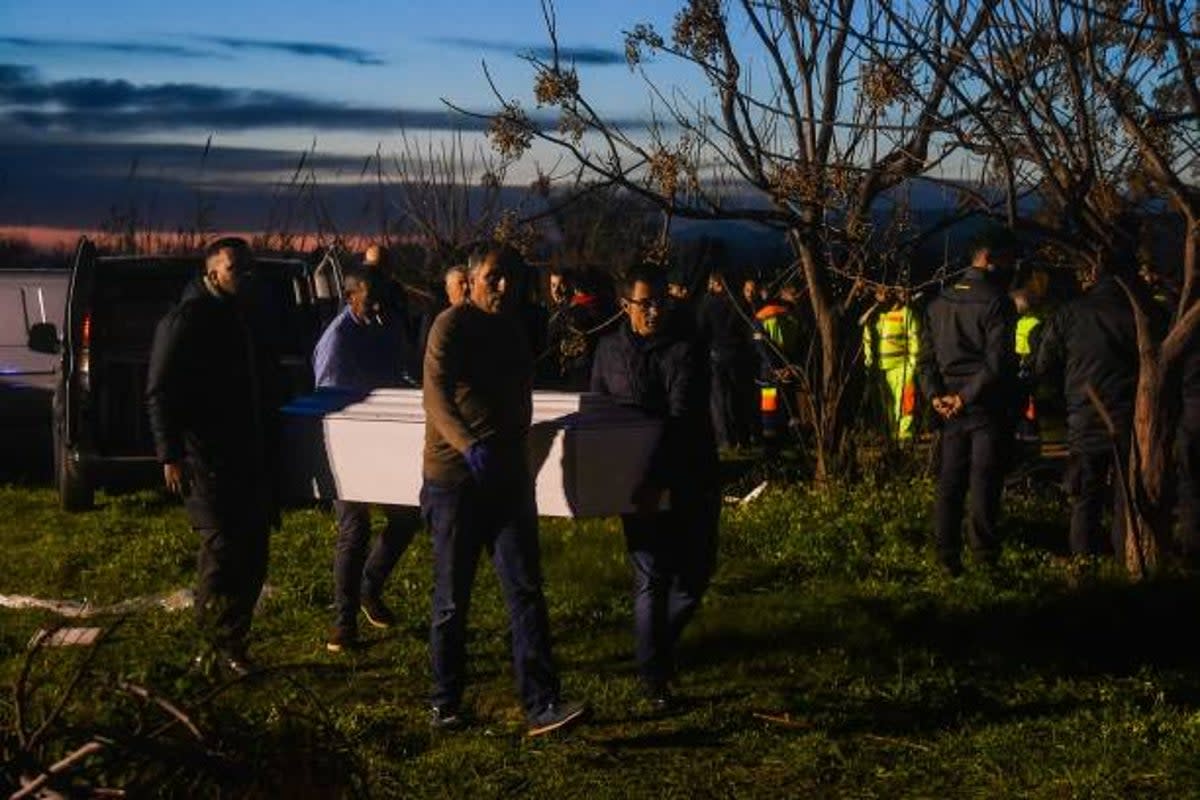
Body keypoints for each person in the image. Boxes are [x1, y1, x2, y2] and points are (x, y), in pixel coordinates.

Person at [421, 243, 588, 736]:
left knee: (525, 590)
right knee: (453, 598)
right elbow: (435, 394)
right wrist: (469, 444)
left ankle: (541, 703)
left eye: (510, 277)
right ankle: (444, 703)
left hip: (508, 480)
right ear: (471, 280)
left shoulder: (514, 330)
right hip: (455, 481)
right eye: (494, 276)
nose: (503, 286)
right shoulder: (450, 326)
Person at [146, 237, 283, 675]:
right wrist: (170, 453)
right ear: (213, 273)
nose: (245, 276)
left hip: (246, 453)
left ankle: (233, 643)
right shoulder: (188, 318)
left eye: (248, 268)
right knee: (222, 550)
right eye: (235, 269)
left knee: (253, 549)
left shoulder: (244, 315)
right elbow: (159, 390)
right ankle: (211, 645)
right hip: (204, 455)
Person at [590, 265, 719, 712]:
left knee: (695, 575)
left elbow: (683, 419)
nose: (655, 310)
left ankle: (655, 653)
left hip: (690, 476)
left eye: (661, 300)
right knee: (652, 576)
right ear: (626, 305)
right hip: (636, 482)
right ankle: (653, 676)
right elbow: (599, 414)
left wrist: (658, 478)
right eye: (645, 302)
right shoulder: (607, 352)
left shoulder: (686, 349)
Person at [1036, 222, 1160, 559]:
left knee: (1085, 497)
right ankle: (1125, 558)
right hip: (1132, 416)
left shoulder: (1071, 313)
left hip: (1085, 413)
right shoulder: (1145, 314)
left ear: (1096, 271)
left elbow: (1043, 364)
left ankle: (1083, 564)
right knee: (1127, 497)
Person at [314, 268, 421, 652]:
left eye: (381, 297)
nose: (377, 305)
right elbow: (328, 400)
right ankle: (343, 622)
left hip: (386, 436)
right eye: (369, 297)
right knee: (354, 529)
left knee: (407, 518)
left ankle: (368, 589)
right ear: (350, 298)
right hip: (348, 443)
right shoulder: (337, 341)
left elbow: (405, 373)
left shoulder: (387, 325)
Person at [918, 228, 1020, 575]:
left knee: (950, 481)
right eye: (1008, 260)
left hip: (947, 402)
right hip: (983, 402)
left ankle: (946, 555)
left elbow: (926, 360)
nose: (1012, 267)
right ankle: (984, 558)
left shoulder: (938, 302)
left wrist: (935, 397)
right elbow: (997, 363)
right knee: (983, 481)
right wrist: (964, 397)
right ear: (989, 259)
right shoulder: (997, 302)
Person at [697, 268, 756, 449]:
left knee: (719, 399)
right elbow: (748, 327)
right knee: (739, 396)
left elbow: (702, 329)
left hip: (717, 355)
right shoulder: (738, 302)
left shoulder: (707, 302)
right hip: (738, 354)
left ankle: (725, 439)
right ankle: (744, 437)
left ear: (717, 283)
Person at [863, 287, 921, 441]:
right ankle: (888, 438)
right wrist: (869, 365)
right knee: (884, 406)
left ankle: (905, 437)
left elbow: (915, 341)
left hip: (902, 367)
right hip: (880, 369)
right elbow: (867, 340)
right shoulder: (876, 315)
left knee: (906, 403)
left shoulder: (907, 314)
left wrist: (911, 366)